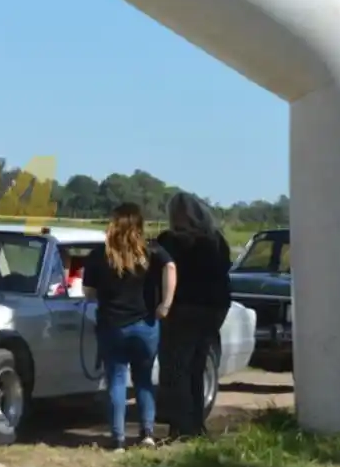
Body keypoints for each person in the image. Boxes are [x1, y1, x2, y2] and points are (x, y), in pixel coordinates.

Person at [82, 202, 177, 451]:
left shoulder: (99, 255)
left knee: (116, 380)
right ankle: (147, 434)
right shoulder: (151, 250)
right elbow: (170, 266)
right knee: (144, 379)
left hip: (112, 325)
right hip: (145, 324)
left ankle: (118, 439)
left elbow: (88, 292)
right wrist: (165, 304)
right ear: (139, 224)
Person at [155, 191, 233, 440]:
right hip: (215, 308)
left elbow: (160, 271)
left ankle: (180, 425)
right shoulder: (216, 241)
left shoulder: (169, 241)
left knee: (176, 366)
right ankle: (195, 423)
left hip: (184, 306)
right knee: (197, 366)